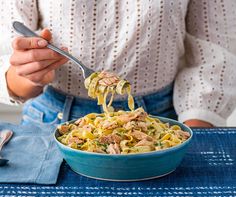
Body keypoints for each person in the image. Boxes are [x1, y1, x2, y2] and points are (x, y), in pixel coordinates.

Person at [0, 0, 236, 127]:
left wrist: (190, 137)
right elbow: (8, 61)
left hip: (161, 118)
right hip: (52, 118)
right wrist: (29, 73)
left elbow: (216, 56)